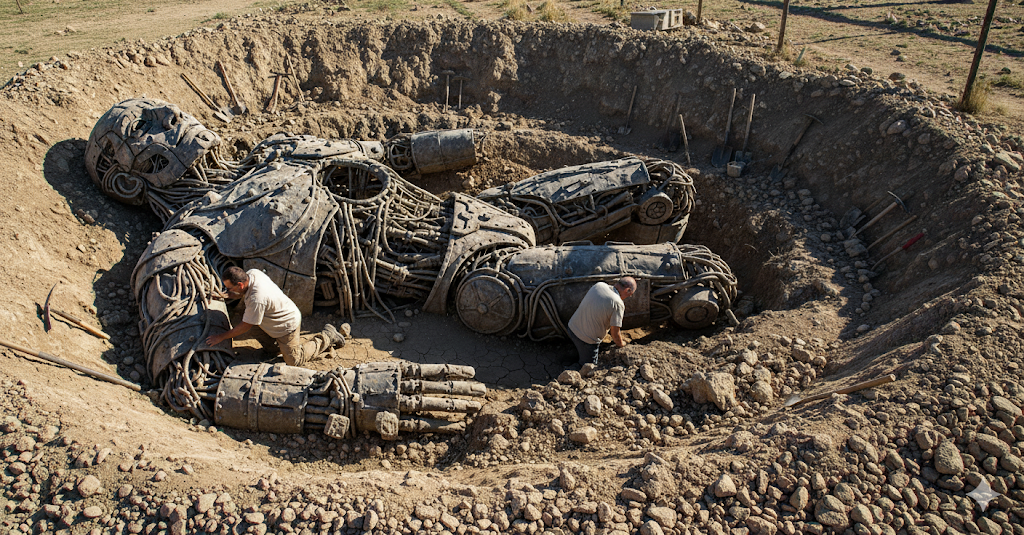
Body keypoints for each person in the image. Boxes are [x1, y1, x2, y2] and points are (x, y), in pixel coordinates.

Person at [206, 266, 348, 366]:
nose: (228, 290)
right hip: (274, 318)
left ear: (240, 285)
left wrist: (221, 337)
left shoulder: (257, 298)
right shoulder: (252, 273)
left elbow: (245, 325)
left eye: (230, 288)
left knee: (294, 360)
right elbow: (240, 296)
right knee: (255, 330)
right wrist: (223, 295)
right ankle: (274, 348)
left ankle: (327, 336)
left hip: (287, 325)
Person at [567, 277, 637, 366]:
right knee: (589, 368)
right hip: (586, 341)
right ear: (627, 290)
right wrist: (622, 344)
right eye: (630, 294)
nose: (628, 297)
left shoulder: (600, 285)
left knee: (578, 349)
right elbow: (615, 334)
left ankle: (573, 356)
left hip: (571, 327)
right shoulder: (618, 303)